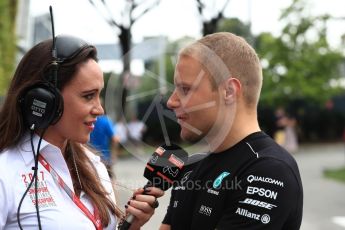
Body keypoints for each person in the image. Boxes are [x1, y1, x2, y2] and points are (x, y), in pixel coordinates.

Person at [0, 35, 163, 229]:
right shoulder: (5, 172)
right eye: (88, 96)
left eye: (99, 95)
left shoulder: (94, 166)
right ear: (45, 99)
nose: (100, 110)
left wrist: (131, 225)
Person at [160, 32, 303, 229]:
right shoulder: (191, 169)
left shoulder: (269, 170)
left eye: (185, 89)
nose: (171, 101)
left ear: (229, 91)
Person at [89, 105, 120, 176]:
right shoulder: (105, 121)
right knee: (109, 178)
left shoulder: (87, 121)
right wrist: (114, 155)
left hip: (89, 155)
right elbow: (115, 139)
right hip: (104, 156)